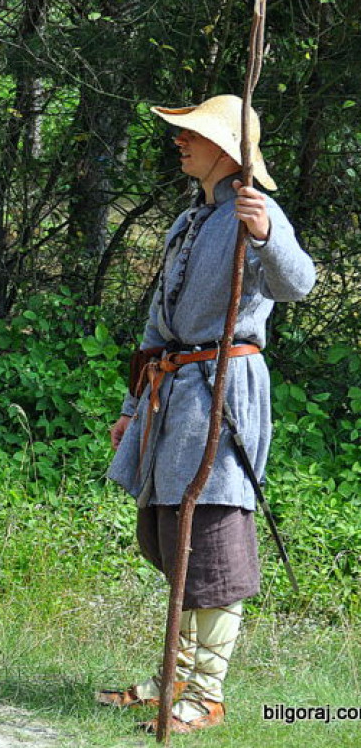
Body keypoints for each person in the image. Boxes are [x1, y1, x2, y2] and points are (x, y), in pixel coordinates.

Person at [97, 94, 316, 733]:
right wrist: (133, 407)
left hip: (224, 389)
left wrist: (266, 235)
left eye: (191, 135)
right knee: (174, 535)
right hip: (173, 396)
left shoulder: (257, 209)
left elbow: (298, 283)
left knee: (213, 535)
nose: (179, 142)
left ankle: (207, 695)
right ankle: (174, 676)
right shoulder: (189, 220)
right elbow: (156, 325)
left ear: (226, 150)